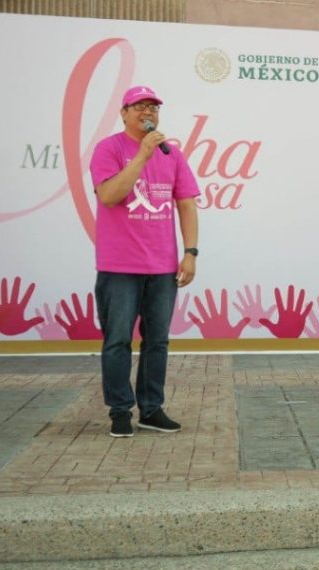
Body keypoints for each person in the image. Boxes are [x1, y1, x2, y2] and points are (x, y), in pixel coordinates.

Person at [89, 86, 200, 437]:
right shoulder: (108, 149)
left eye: (153, 107)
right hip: (119, 267)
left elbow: (186, 204)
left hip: (163, 267)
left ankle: (151, 409)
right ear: (123, 113)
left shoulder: (173, 155)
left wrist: (190, 252)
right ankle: (120, 411)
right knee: (118, 339)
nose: (147, 112)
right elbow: (109, 195)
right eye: (139, 106)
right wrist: (141, 157)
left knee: (157, 341)